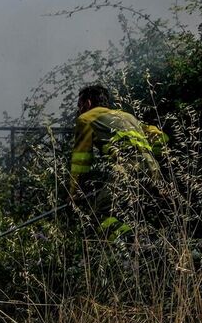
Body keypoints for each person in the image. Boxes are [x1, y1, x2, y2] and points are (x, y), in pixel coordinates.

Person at [69, 85, 167, 236]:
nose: (79, 110)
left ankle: (134, 243)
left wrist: (74, 192)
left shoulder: (86, 118)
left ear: (87, 103)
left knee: (98, 217)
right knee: (147, 214)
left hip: (129, 170)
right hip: (154, 170)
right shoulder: (127, 116)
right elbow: (158, 135)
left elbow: (81, 161)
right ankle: (157, 245)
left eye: (79, 105)